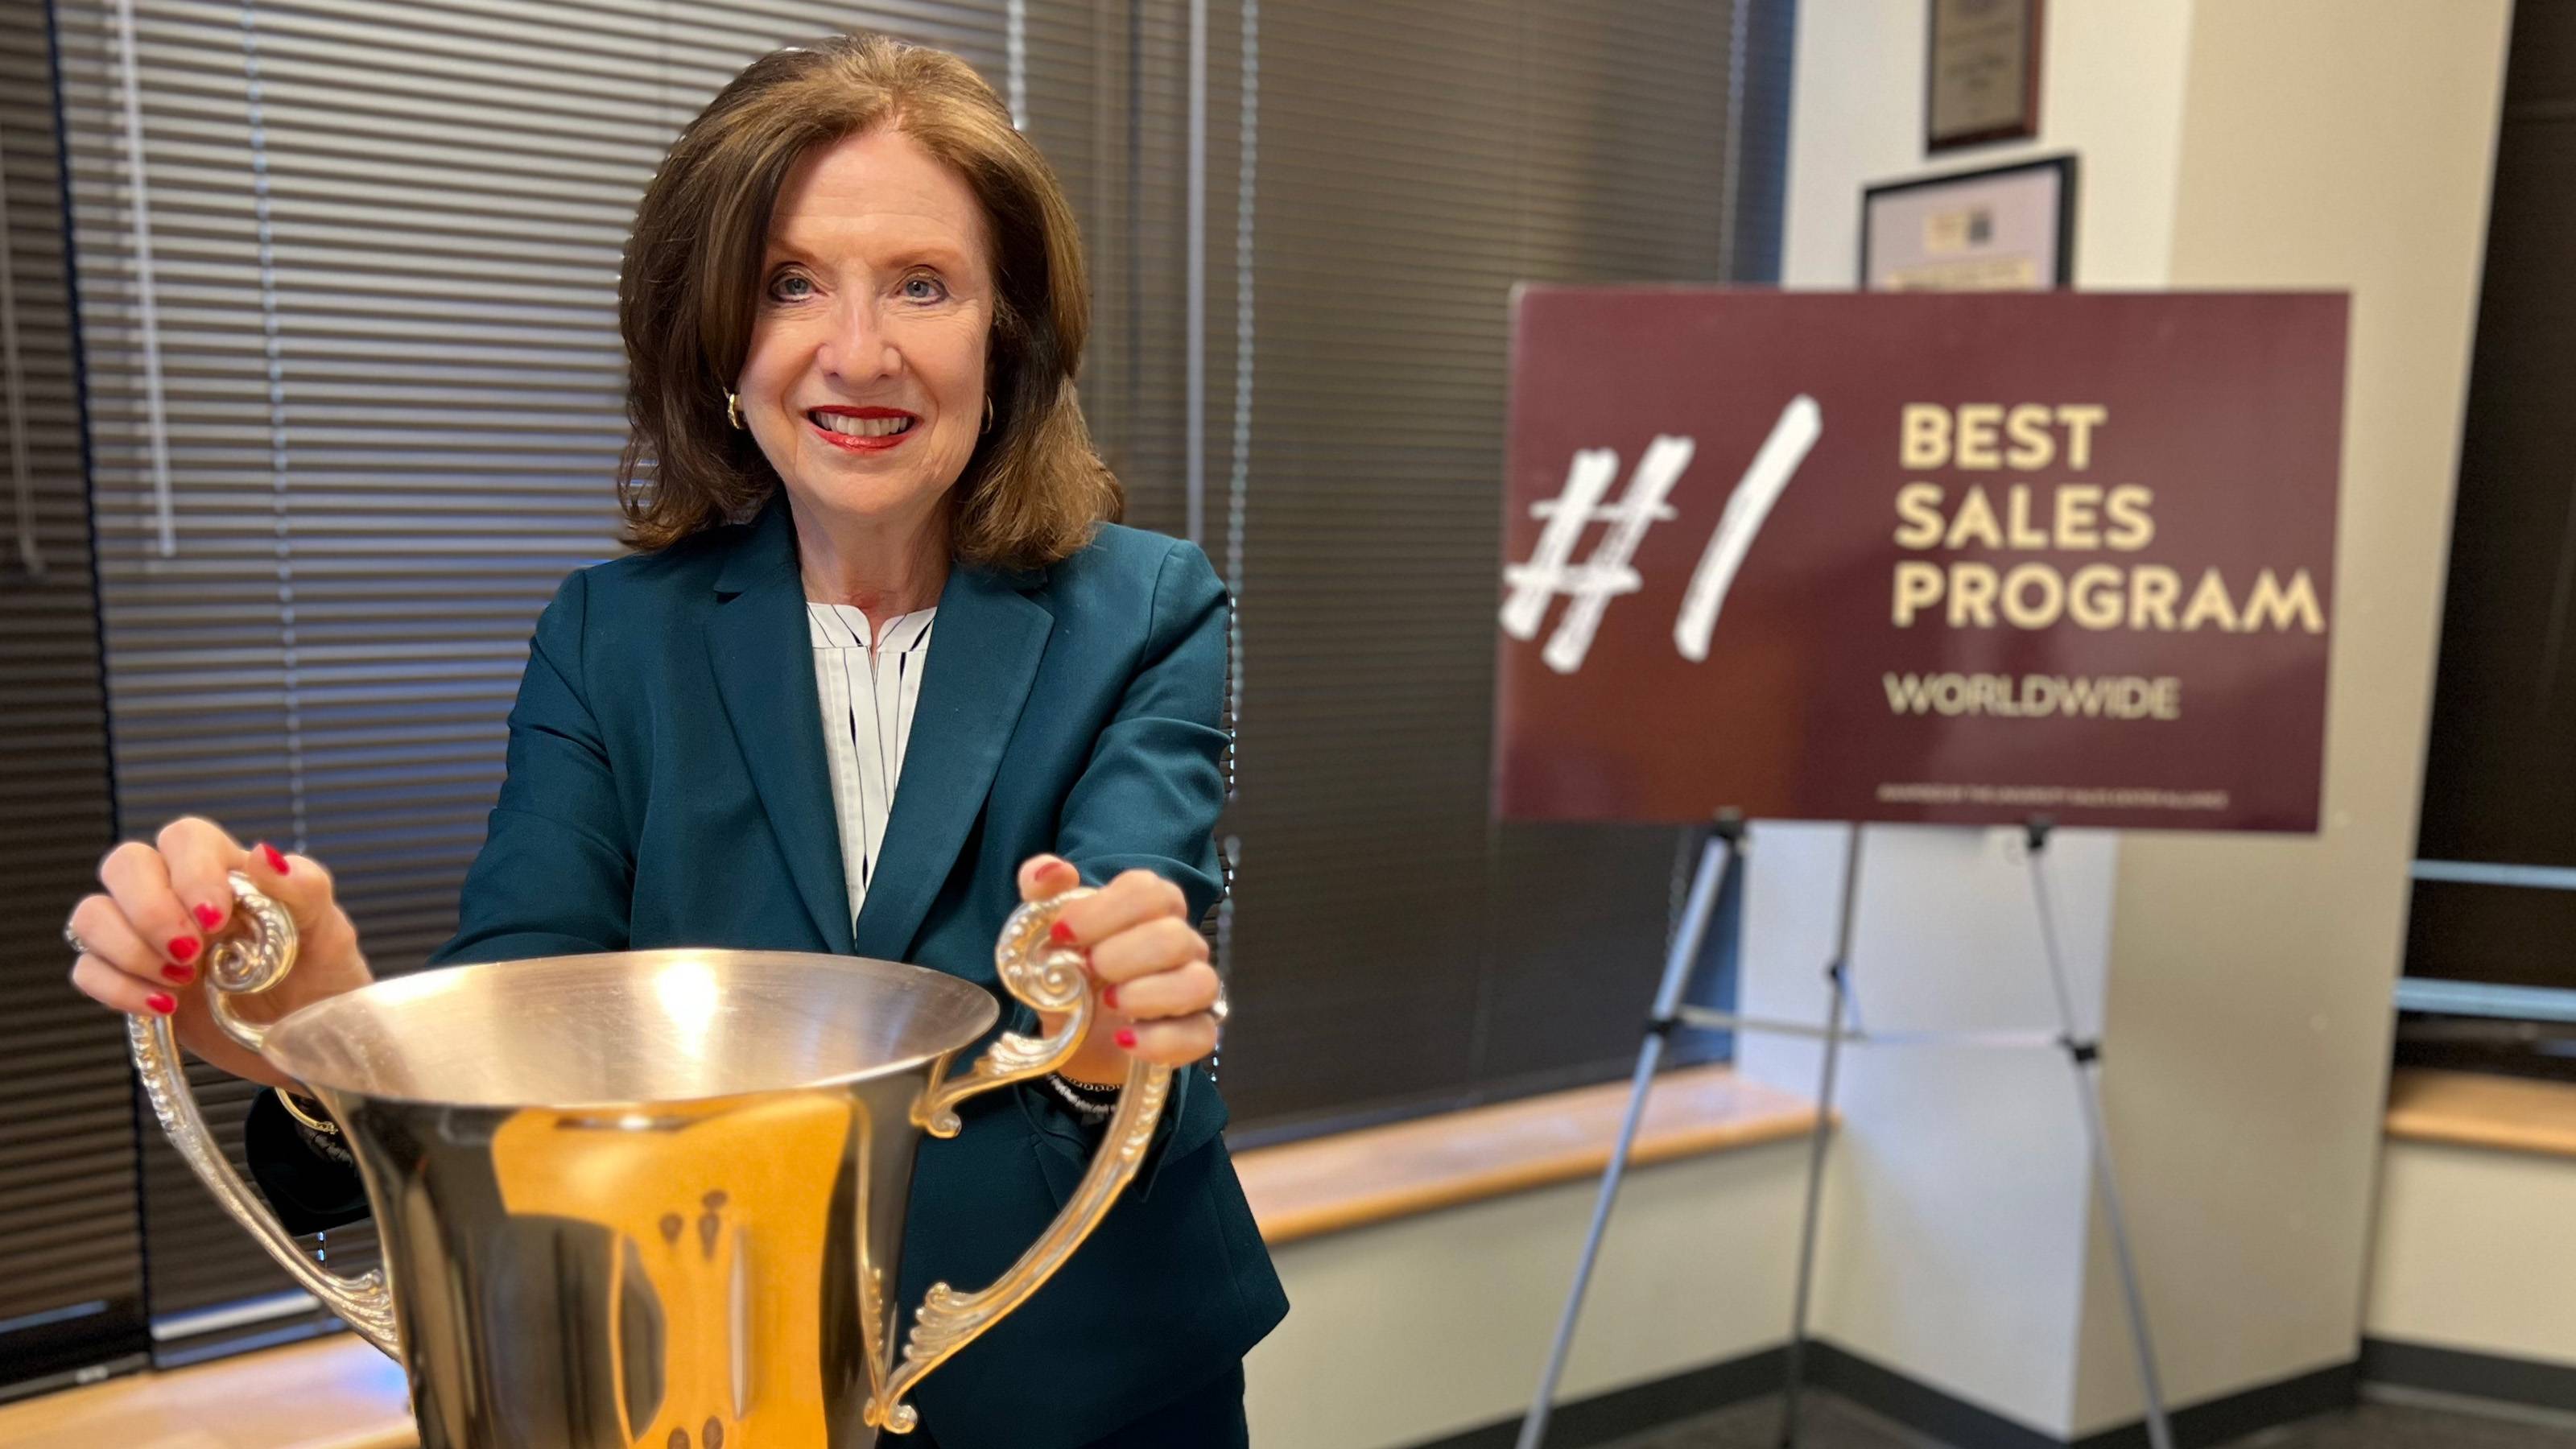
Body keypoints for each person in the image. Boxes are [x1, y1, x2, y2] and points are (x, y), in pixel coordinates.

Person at [63, 32, 1284, 1449]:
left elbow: (1132, 957)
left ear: (1003, 336)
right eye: (790, 285)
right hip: (709, 1385)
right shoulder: (607, 640)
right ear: (716, 337)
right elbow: (525, 1026)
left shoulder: (1147, 603)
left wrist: (1111, 1027)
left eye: (924, 285)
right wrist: (327, 1031)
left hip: (1093, 1377)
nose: (860, 351)